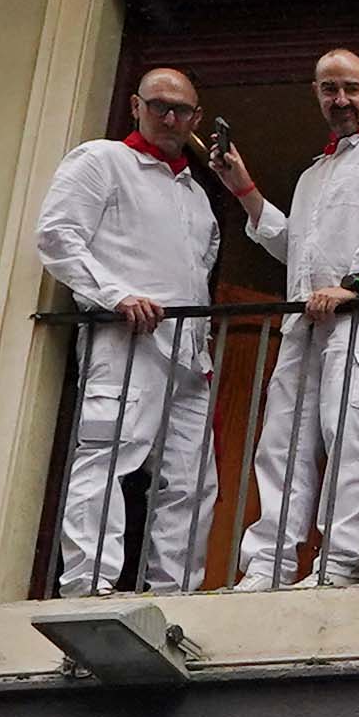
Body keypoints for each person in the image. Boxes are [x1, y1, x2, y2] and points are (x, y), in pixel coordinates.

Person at [36, 66, 232, 594]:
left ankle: (174, 596)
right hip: (128, 340)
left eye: (181, 110)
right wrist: (115, 295)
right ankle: (88, 586)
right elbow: (57, 237)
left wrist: (204, 347)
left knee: (192, 483)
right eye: (158, 105)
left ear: (196, 118)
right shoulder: (101, 160)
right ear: (134, 106)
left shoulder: (195, 193)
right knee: (108, 454)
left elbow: (200, 268)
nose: (169, 117)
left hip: (189, 354)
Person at [224, 48, 359, 588]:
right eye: (329, 89)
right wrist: (246, 190)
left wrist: (355, 284)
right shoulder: (316, 172)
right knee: (282, 440)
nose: (341, 100)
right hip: (306, 318)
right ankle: (269, 564)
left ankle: (339, 563)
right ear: (316, 95)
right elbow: (297, 247)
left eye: (351, 88)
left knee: (347, 428)